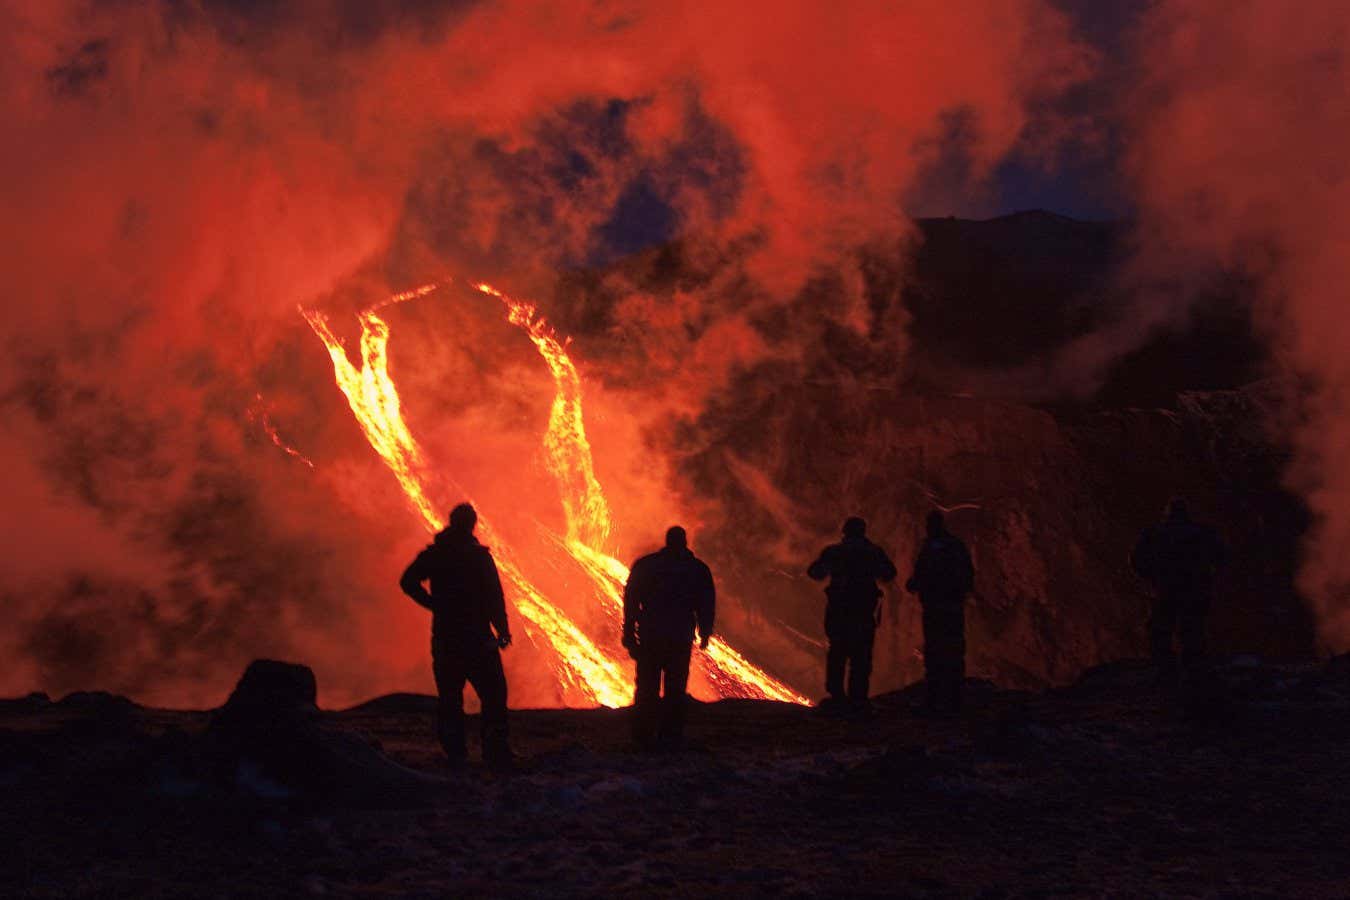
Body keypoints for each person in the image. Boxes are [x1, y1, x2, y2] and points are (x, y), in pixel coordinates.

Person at [400, 502, 513, 769]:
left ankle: (456, 753)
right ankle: (494, 751)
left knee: (451, 697)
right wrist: (503, 629)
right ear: (471, 524)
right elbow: (494, 597)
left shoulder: (438, 554)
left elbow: (408, 581)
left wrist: (432, 604)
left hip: (447, 637)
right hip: (476, 638)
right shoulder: (477, 556)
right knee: (493, 693)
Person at [622, 526, 715, 750]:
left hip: (651, 633)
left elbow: (631, 600)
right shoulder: (696, 569)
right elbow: (706, 603)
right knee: (675, 687)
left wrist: (629, 632)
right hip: (679, 635)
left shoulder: (647, 565)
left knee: (647, 685)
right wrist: (704, 632)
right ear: (685, 542)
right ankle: (671, 734)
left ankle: (643, 734)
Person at [1131, 498, 1227, 685]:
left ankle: (1167, 671)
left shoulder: (1155, 534)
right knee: (1192, 630)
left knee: (1160, 630)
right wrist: (1207, 575)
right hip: (1194, 589)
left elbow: (1136, 560)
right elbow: (1221, 556)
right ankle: (1193, 672)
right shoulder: (1202, 533)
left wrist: (1152, 576)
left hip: (1166, 589)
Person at [807, 517, 898, 710]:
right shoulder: (873, 553)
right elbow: (889, 574)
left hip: (839, 611)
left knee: (838, 652)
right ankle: (858, 699)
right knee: (861, 655)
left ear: (845, 532)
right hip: (863, 612)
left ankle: (837, 696)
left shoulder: (835, 552)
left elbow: (815, 572)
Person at [905, 510, 974, 715]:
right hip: (953, 607)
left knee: (935, 651)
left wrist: (915, 585)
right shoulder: (957, 546)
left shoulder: (930, 549)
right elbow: (968, 575)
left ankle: (934, 699)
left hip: (935, 607)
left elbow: (919, 576)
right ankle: (955, 699)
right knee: (953, 650)